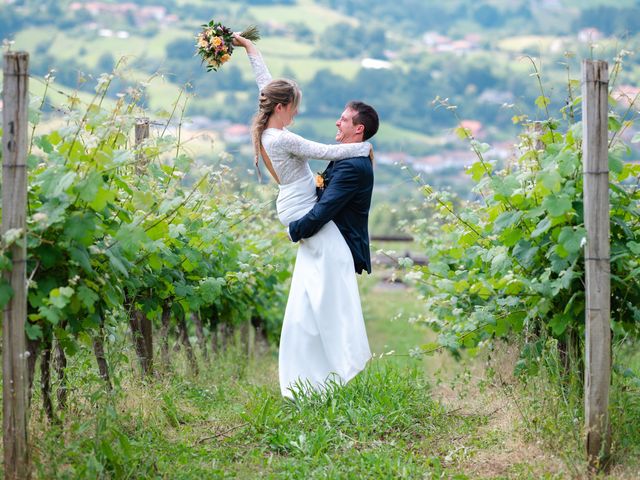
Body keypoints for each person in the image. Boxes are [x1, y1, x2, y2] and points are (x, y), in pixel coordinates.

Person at [234, 33, 374, 399]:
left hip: (297, 201)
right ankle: (339, 360)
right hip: (300, 207)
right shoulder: (283, 139)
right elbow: (327, 150)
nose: (295, 112)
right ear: (282, 108)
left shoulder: (270, 125)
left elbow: (265, 86)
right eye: (293, 106)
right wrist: (365, 147)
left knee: (316, 289)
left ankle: (324, 368)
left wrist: (251, 50)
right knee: (329, 283)